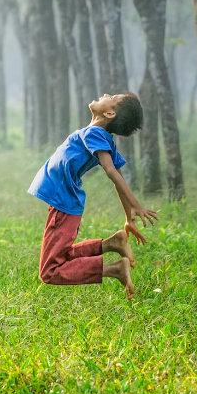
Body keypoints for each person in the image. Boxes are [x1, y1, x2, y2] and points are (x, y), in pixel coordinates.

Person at [28, 93, 158, 300]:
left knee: (50, 271)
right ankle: (112, 244)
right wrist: (128, 217)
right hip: (64, 201)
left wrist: (135, 205)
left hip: (63, 202)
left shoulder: (96, 133)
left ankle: (115, 269)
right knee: (60, 256)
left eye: (112, 97)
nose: (106, 94)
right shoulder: (99, 136)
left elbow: (112, 171)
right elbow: (118, 175)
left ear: (109, 112)